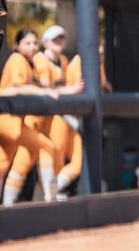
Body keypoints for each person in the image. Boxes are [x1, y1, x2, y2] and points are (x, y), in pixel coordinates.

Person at [1, 27, 82, 204]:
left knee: (3, 163)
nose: (31, 47)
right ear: (17, 45)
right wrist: (42, 91)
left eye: (34, 43)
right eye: (27, 43)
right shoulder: (17, 59)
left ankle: (7, 206)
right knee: (46, 147)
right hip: (8, 120)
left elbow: (42, 87)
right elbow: (17, 88)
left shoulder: (31, 62)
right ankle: (49, 198)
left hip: (18, 121)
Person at [54, 44, 113, 198]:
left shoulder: (97, 64)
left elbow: (103, 85)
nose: (101, 56)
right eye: (98, 53)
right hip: (66, 116)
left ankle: (59, 190)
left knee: (79, 159)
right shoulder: (78, 63)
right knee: (57, 157)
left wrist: (107, 87)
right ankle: (52, 191)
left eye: (103, 53)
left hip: (79, 118)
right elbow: (82, 89)